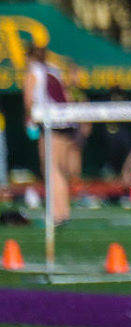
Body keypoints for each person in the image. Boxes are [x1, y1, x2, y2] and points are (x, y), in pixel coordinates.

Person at [23, 46, 76, 225]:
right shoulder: (54, 71)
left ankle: (57, 213)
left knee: (50, 169)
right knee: (59, 170)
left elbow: (28, 100)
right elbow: (67, 97)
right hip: (65, 123)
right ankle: (63, 211)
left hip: (50, 123)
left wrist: (29, 121)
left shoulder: (33, 73)